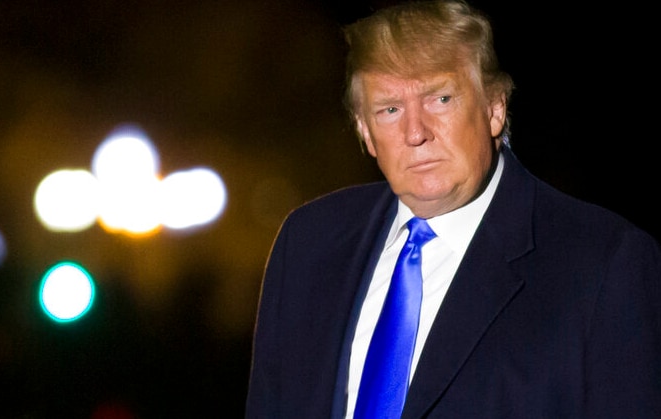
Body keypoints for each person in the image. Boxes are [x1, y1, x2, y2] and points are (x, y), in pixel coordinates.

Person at [245, 0, 661, 418]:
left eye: (440, 99)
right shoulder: (307, 243)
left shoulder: (602, 264)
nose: (415, 133)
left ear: (495, 108)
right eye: (390, 109)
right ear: (364, 131)